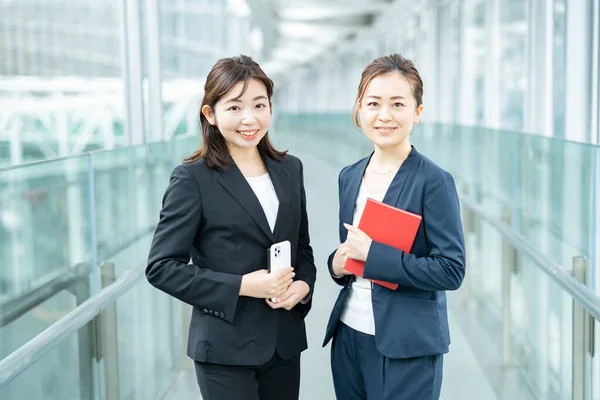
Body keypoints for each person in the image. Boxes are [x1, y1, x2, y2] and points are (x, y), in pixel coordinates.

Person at [146, 55, 316, 400]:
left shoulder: (289, 169)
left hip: (283, 344)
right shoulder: (192, 178)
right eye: (235, 108)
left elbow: (302, 249)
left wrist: (303, 287)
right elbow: (161, 268)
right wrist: (242, 285)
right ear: (210, 113)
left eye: (259, 105)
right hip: (225, 349)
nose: (249, 119)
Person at [323, 54, 466, 400]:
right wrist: (335, 264)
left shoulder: (433, 182)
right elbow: (350, 252)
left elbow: (451, 270)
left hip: (407, 346)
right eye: (373, 103)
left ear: (417, 112)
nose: (384, 115)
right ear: (360, 109)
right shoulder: (350, 175)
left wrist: (374, 256)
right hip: (349, 333)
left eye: (397, 104)